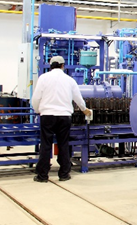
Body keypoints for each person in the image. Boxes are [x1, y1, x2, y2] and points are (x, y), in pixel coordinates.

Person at [30, 55, 92, 183]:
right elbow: (78, 98)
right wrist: (84, 109)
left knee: (46, 145)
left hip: (47, 116)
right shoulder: (69, 80)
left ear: (50, 66)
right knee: (63, 145)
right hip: (64, 116)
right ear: (63, 66)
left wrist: (37, 110)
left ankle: (42, 176)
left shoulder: (43, 78)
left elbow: (35, 98)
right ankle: (64, 174)